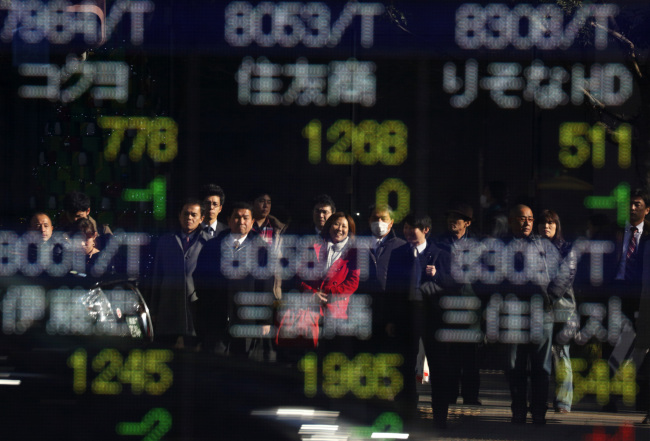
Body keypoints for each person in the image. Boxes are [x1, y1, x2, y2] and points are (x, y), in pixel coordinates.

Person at [385, 213, 454, 429]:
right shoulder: (399, 254)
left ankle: (440, 416)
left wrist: (437, 276)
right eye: (405, 228)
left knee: (439, 366)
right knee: (405, 365)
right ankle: (406, 411)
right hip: (406, 314)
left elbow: (454, 284)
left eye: (411, 228)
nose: (407, 232)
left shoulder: (441, 254)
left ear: (425, 230)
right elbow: (391, 288)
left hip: (432, 317)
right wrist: (391, 318)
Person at [195, 202, 273, 356]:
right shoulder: (212, 247)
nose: (241, 221)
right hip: (216, 319)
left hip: (247, 321)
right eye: (237, 217)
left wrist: (265, 320)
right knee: (213, 365)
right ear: (229, 220)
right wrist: (207, 306)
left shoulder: (262, 250)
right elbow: (199, 278)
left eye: (245, 218)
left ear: (252, 222)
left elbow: (266, 286)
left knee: (243, 369)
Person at [289, 212, 360, 352]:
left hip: (336, 310)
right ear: (329, 226)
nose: (340, 229)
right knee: (309, 354)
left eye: (344, 226)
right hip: (310, 309)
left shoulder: (354, 252)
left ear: (349, 230)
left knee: (334, 354)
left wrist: (328, 295)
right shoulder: (313, 246)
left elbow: (353, 282)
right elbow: (299, 275)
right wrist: (312, 294)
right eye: (336, 224)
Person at [149, 199, 211, 349]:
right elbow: (157, 277)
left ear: (202, 218)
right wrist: (154, 310)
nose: (189, 218)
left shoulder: (209, 242)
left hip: (195, 308)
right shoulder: (166, 241)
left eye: (193, 215)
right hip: (168, 307)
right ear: (179, 216)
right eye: (186, 214)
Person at [437, 202, 482, 406]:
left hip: (471, 306)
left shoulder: (479, 246)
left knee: (471, 356)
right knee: (450, 355)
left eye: (457, 219)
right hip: (447, 304)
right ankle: (450, 394)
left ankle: (471, 396)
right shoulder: (439, 243)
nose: (452, 222)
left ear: (467, 223)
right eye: (450, 218)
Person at [537, 209, 577, 414]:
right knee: (540, 356)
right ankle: (539, 400)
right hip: (539, 308)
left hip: (561, 308)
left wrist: (546, 295)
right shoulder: (532, 247)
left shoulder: (567, 248)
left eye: (551, 223)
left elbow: (564, 278)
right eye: (543, 223)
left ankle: (563, 401)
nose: (547, 226)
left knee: (561, 354)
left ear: (557, 226)